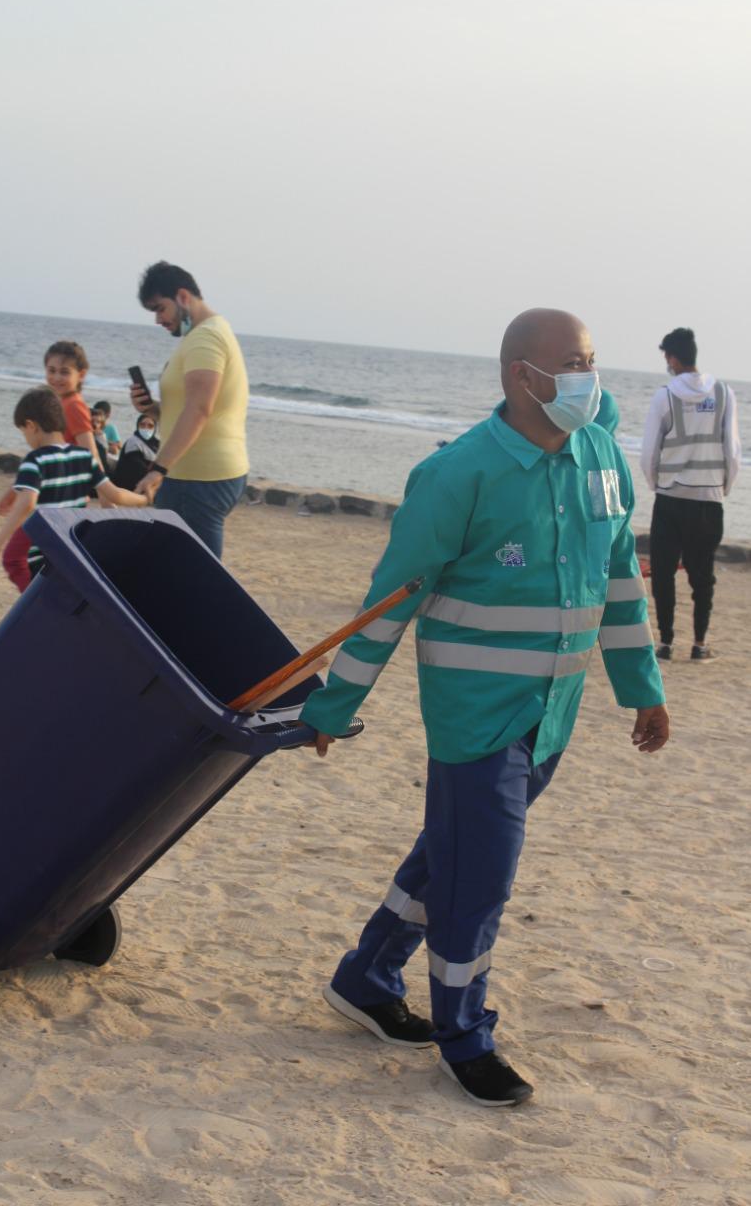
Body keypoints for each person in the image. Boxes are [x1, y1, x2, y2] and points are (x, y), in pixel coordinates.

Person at [299, 309, 669, 1108]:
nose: (587, 377)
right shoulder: (456, 475)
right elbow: (388, 604)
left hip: (553, 714)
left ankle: (366, 977)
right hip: (475, 717)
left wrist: (641, 689)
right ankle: (464, 1034)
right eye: (570, 362)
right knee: (481, 878)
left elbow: (617, 582)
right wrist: (333, 706)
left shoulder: (601, 456)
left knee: (453, 851)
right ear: (520, 375)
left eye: (591, 360)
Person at [131, 261, 249, 558]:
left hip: (196, 478)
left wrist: (158, 469)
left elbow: (199, 408)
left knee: (194, 579)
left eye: (160, 308)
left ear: (183, 296)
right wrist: (155, 410)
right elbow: (196, 406)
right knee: (189, 574)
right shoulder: (207, 334)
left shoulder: (205, 338)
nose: (158, 320)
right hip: (206, 474)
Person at [640, 328, 741, 662]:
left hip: (670, 498)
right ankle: (700, 644)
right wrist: (722, 488)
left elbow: (649, 452)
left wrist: (657, 485)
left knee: (664, 573)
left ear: (672, 358)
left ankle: (666, 643)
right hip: (708, 501)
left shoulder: (665, 395)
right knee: (703, 576)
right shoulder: (725, 394)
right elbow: (733, 450)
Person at [0, 388, 149, 586]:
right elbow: (115, 495)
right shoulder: (84, 457)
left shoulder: (35, 459)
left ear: (31, 425)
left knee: (12, 562)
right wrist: (144, 499)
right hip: (68, 549)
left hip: (39, 556)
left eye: (23, 432)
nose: (25, 438)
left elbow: (27, 503)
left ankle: (33, 603)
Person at [0, 341, 101, 593]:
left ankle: (34, 600)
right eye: (51, 370)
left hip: (57, 501)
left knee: (15, 557)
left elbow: (90, 451)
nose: (56, 377)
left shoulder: (74, 406)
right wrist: (14, 490)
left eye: (64, 371)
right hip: (53, 498)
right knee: (46, 558)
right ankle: (40, 597)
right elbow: (44, 458)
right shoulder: (55, 402)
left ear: (81, 374)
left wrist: (96, 489)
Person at [113, 413, 160, 491]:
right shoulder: (133, 442)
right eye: (142, 425)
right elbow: (137, 466)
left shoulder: (156, 444)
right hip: (129, 484)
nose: (146, 428)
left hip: (147, 480)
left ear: (155, 428)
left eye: (150, 426)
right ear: (137, 426)